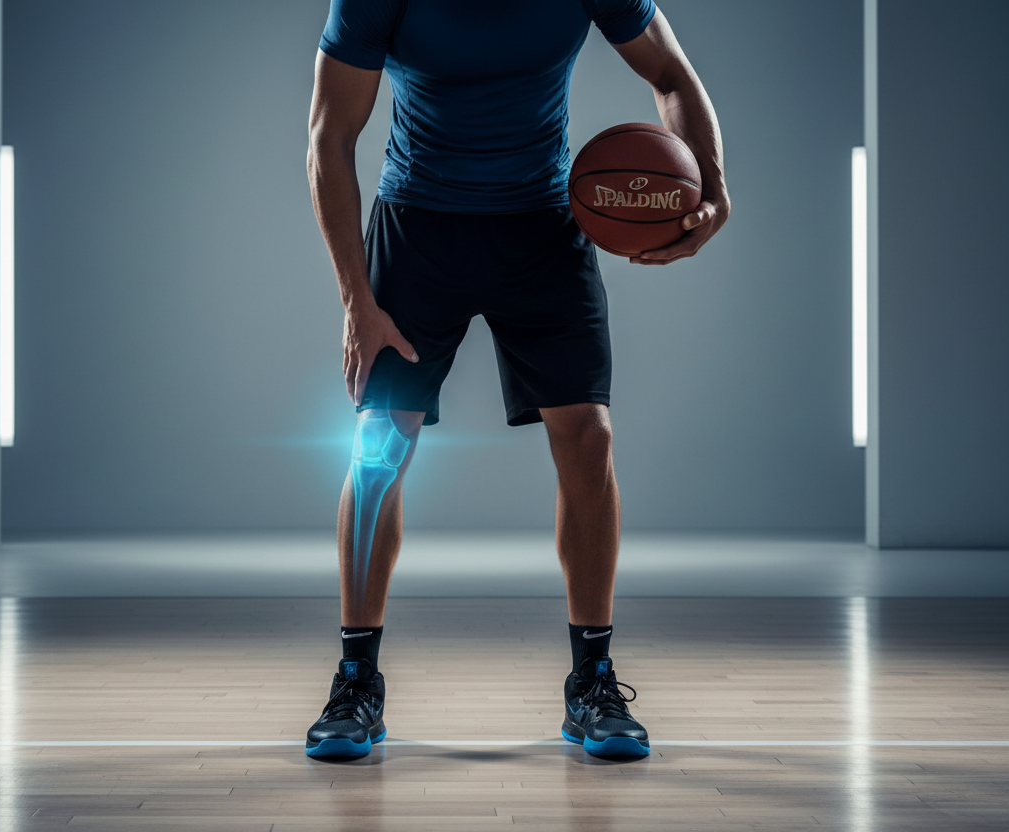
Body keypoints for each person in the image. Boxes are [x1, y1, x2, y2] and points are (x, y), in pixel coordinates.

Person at [304, 0, 728, 760]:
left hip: (542, 229)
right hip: (417, 229)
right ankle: (356, 680)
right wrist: (356, 302)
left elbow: (669, 72)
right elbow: (329, 137)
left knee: (589, 437)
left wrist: (712, 183)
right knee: (377, 445)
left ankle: (592, 680)